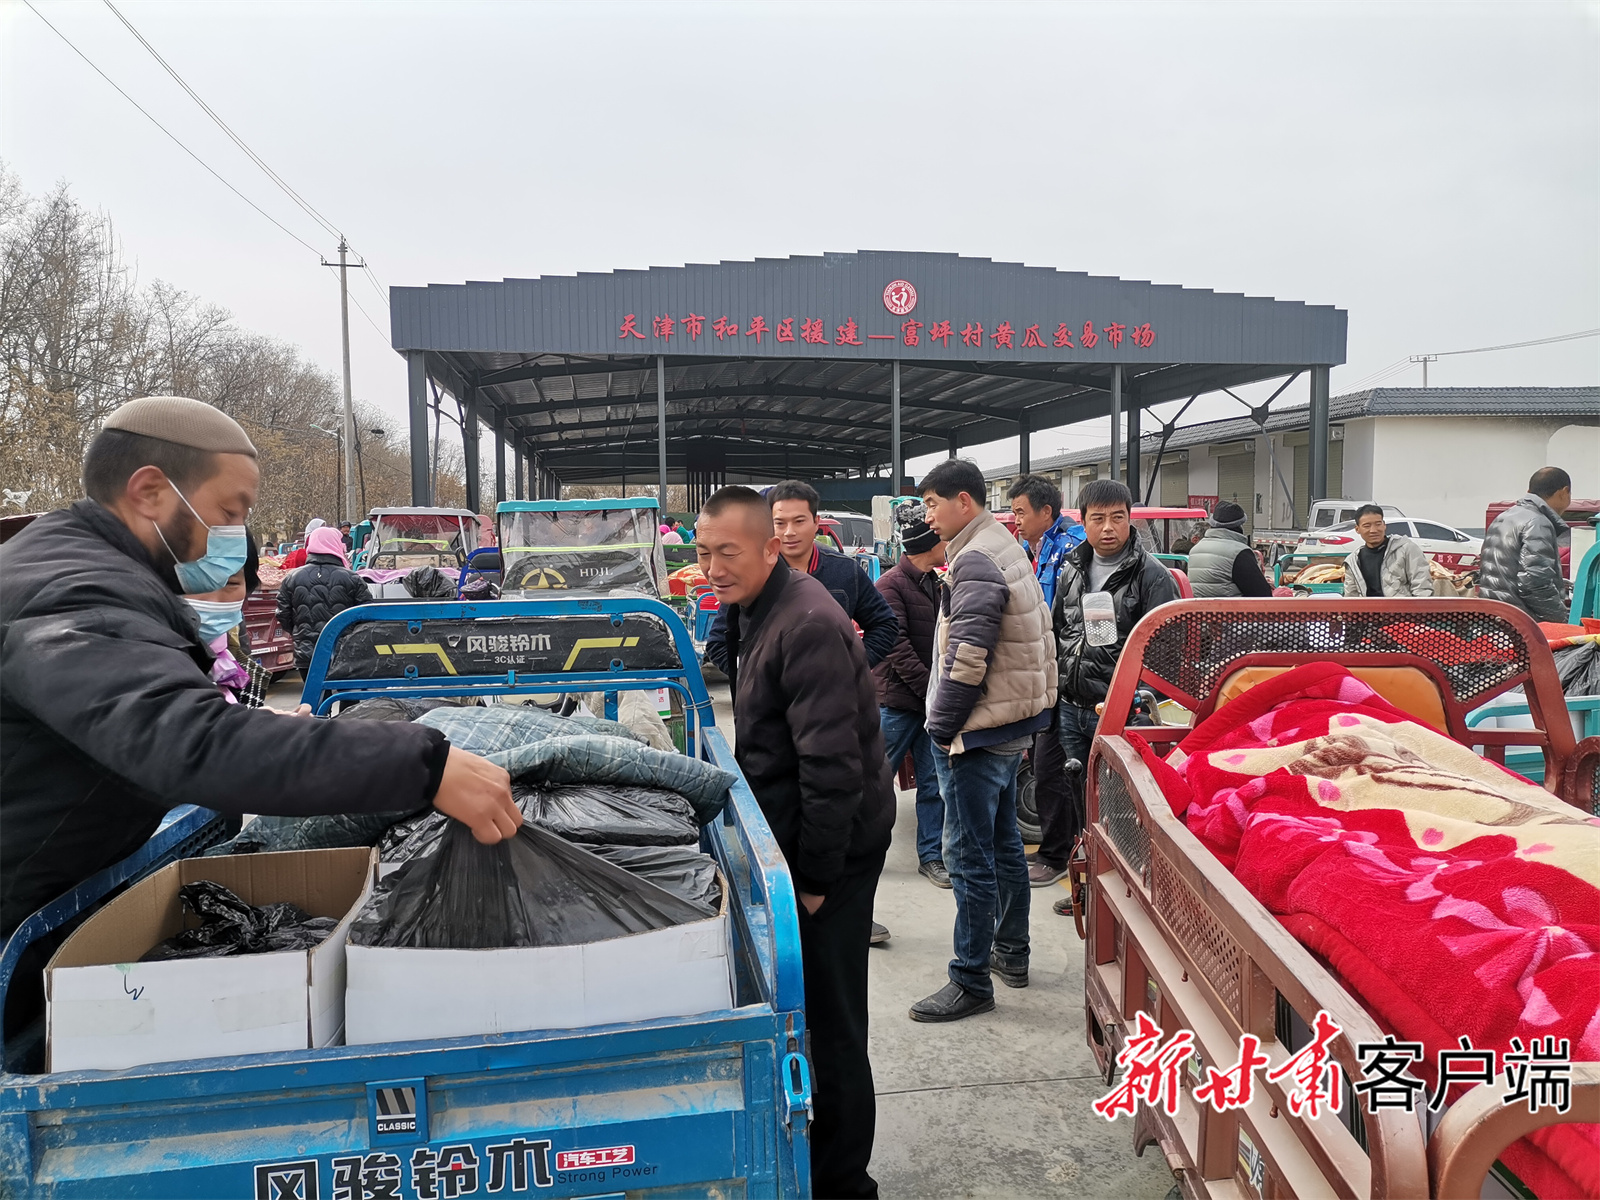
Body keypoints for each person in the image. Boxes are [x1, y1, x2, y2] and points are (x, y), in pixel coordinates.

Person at [0, 396, 521, 945]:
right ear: (150, 492)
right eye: (229, 512)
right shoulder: (68, 594)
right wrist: (423, 765)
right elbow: (187, 740)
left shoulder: (93, 572)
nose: (235, 534)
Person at [695, 485, 893, 1200]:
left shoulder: (807, 621)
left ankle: (846, 1182)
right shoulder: (753, 607)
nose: (713, 567)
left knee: (835, 1021)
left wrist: (813, 877)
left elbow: (833, 767)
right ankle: (811, 1153)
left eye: (729, 552)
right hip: (792, 838)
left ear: (772, 547)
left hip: (832, 850)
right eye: (703, 551)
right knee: (803, 1009)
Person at [911, 460, 1055, 1023]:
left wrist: (942, 728)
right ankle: (1010, 951)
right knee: (1000, 848)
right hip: (1009, 722)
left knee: (967, 857)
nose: (927, 515)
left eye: (931, 504)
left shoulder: (974, 558)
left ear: (962, 502)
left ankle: (969, 979)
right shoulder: (1002, 544)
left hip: (978, 729)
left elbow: (968, 658)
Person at [1051, 479, 1179, 915]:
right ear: (1082, 522)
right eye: (1098, 518)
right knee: (1082, 802)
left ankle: (1131, 899)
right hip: (1072, 709)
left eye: (1117, 517)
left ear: (1131, 519)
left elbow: (1168, 652)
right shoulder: (1071, 569)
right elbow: (1059, 632)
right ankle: (1088, 891)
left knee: (1125, 808)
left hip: (1123, 712)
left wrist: (1136, 699)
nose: (1108, 527)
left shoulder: (1152, 576)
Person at [1007, 474, 1086, 888]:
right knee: (1047, 765)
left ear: (1046, 513)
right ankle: (1061, 851)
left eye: (1020, 512)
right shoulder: (1028, 549)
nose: (1015, 519)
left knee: (1059, 768)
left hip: (1070, 680)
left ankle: (1061, 854)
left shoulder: (1072, 550)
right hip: (1041, 672)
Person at [873, 503, 949, 888]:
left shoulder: (935, 582)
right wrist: (929, 691)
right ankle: (865, 854)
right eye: (943, 541)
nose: (948, 545)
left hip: (927, 703)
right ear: (928, 545)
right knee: (875, 778)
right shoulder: (891, 585)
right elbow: (895, 647)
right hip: (897, 704)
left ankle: (931, 856)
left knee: (932, 781)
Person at [1477, 467, 1573, 623]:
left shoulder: (1503, 517)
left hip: (1492, 618)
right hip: (1520, 624)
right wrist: (1559, 620)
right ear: (1564, 492)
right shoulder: (1538, 523)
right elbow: (1534, 583)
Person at [277, 524, 374, 677]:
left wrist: (300, 631)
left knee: (315, 700)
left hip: (307, 654)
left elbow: (283, 614)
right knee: (349, 699)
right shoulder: (352, 578)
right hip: (345, 653)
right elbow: (368, 614)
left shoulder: (292, 578)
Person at [1341, 504, 1432, 598]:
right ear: (1357, 529)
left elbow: (1422, 586)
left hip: (1402, 610)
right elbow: (1351, 596)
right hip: (1369, 611)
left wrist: (1417, 611)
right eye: (1367, 526)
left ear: (1384, 525)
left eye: (1378, 524)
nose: (1373, 530)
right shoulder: (1353, 561)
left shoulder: (1406, 548)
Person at [1187, 501, 1273, 598]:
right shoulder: (1239, 552)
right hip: (1230, 611)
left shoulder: (1195, 550)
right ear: (1239, 525)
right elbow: (1261, 594)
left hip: (1197, 611)